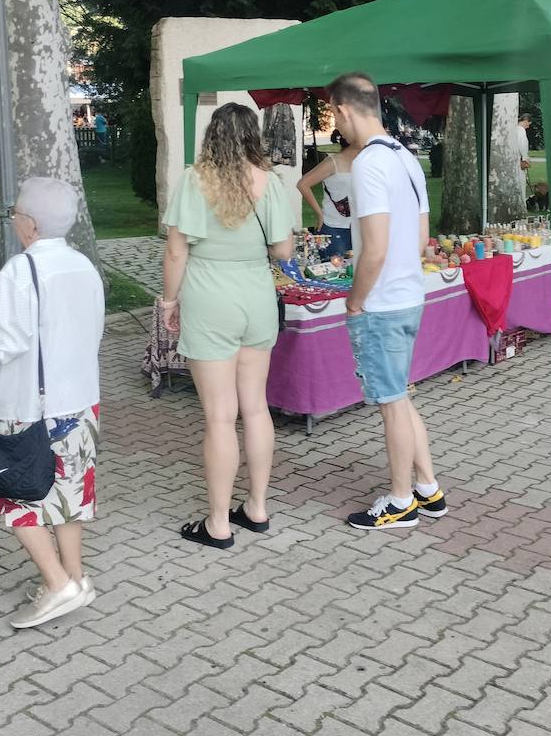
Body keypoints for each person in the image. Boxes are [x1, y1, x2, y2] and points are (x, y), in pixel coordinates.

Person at [0, 177, 104, 629]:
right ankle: (75, 579)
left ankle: (58, 584)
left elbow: (4, 342)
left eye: (16, 215)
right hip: (80, 398)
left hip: (27, 405)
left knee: (14, 495)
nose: (15, 222)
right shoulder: (84, 265)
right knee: (70, 494)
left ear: (30, 224)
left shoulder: (20, 271)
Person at [162, 103, 295, 549]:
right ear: (253, 135)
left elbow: (177, 251)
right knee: (255, 408)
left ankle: (218, 522)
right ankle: (256, 508)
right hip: (256, 296)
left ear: (212, 135)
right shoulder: (271, 182)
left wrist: (168, 300)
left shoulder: (194, 180)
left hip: (209, 297)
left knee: (220, 416)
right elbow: (283, 250)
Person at [327, 72, 446, 531]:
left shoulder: (368, 165)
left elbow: (373, 249)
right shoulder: (405, 157)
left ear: (342, 109)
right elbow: (419, 237)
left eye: (333, 114)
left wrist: (355, 301)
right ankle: (427, 488)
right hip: (409, 294)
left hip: (381, 302)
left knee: (392, 402)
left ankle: (400, 501)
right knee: (401, 396)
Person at [298, 132, 360, 260]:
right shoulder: (333, 162)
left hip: (359, 227)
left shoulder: (364, 162)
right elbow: (303, 184)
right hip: (334, 226)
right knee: (334, 272)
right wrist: (319, 214)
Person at [514, 114, 532, 182]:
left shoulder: (514, 128)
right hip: (520, 160)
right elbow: (522, 145)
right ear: (525, 121)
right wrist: (525, 158)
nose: (528, 127)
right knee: (521, 180)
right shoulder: (521, 130)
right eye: (528, 124)